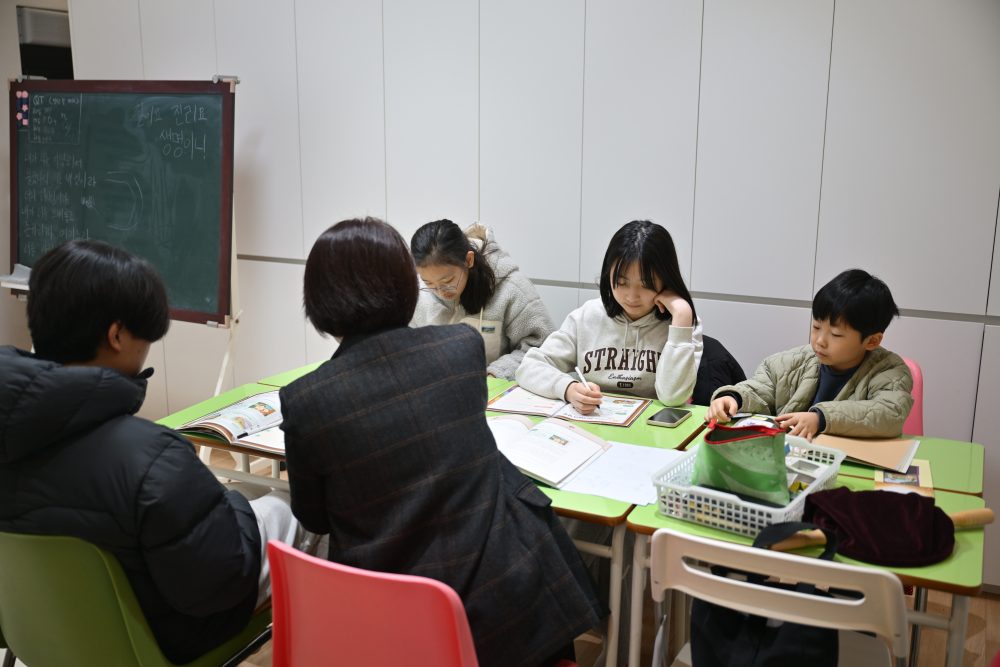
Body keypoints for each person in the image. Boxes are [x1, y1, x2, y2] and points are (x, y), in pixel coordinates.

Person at [280, 218, 604, 667]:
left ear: (317, 300)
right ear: (405, 284)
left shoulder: (305, 400)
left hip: (387, 624)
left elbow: (313, 517)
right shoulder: (460, 349)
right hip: (503, 606)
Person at [0, 240, 303, 664]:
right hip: (162, 642)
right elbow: (219, 585)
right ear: (117, 335)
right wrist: (233, 505)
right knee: (296, 507)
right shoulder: (151, 458)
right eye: (145, 337)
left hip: (41, 636)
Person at [516, 220, 704, 411]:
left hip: (651, 427)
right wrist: (568, 388)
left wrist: (682, 314)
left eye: (646, 284)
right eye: (621, 283)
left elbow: (673, 398)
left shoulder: (683, 324)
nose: (632, 296)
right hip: (592, 422)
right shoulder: (586, 317)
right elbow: (529, 367)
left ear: (666, 279)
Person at [706, 268, 913, 440]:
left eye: (836, 334)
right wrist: (733, 397)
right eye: (816, 327)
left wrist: (820, 419)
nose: (820, 340)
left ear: (872, 341)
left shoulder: (890, 371)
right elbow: (762, 387)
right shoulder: (791, 362)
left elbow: (889, 413)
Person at [410, 219, 554, 379]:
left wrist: (496, 373)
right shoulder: (418, 292)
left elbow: (543, 347)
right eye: (429, 283)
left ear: (468, 260)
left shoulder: (511, 288)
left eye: (448, 281)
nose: (440, 292)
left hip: (494, 388)